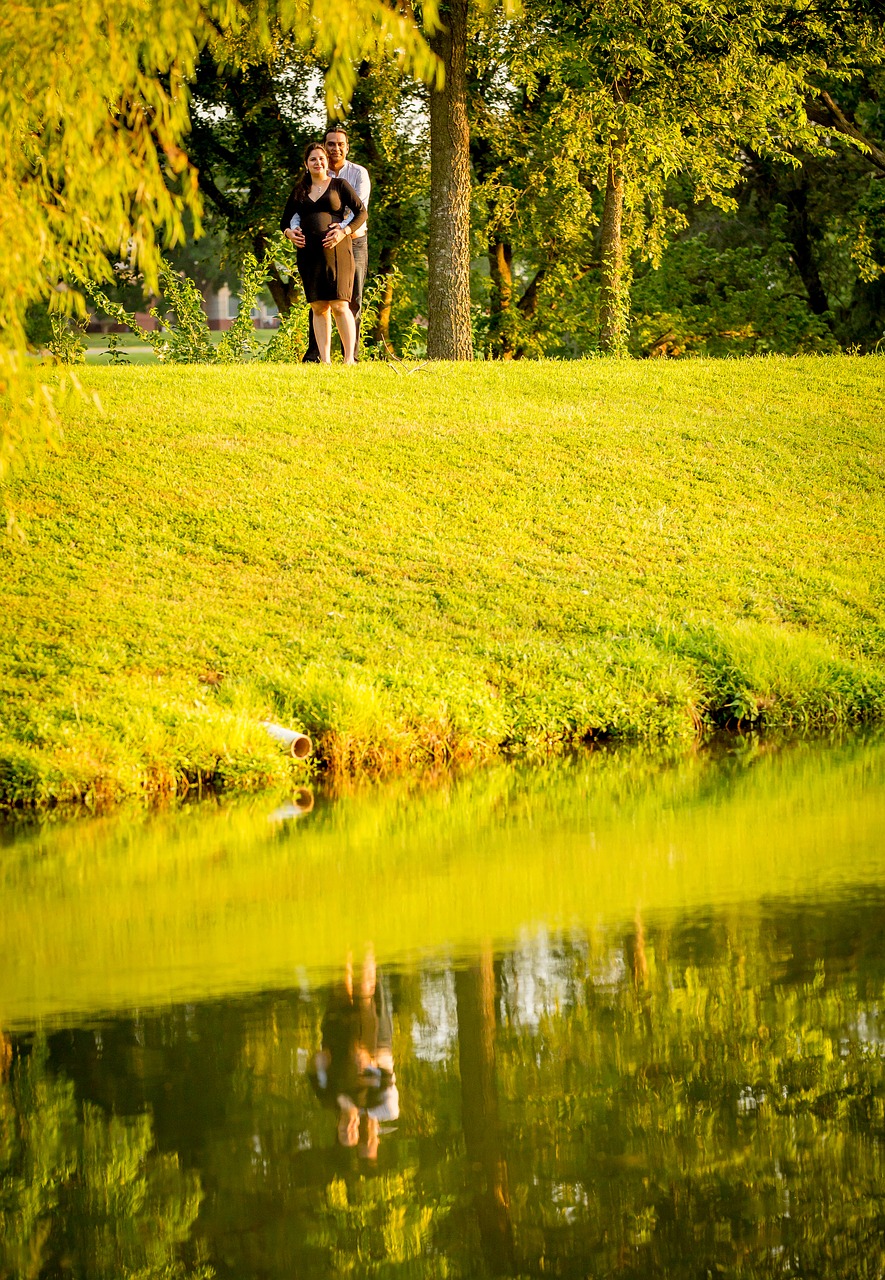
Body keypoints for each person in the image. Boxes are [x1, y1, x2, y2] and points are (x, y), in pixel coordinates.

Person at [280, 142, 367, 365]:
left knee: (340, 304)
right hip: (309, 254)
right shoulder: (300, 190)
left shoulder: (340, 185)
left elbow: (361, 213)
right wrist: (290, 234)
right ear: (306, 164)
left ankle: (349, 360)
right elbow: (284, 221)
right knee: (319, 306)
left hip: (338, 250)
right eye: (313, 159)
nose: (318, 162)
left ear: (327, 162)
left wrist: (344, 231)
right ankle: (325, 361)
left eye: (321, 158)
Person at [309, 950, 398, 1161]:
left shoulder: (328, 1100)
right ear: (358, 1127)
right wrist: (370, 1064)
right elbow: (386, 1078)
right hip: (363, 1034)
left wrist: (319, 1060)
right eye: (352, 1133)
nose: (347, 1129)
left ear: (337, 1127)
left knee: (342, 983)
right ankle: (367, 944)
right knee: (365, 988)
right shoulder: (370, 1102)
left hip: (335, 1034)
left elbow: (313, 1070)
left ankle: (345, 945)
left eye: (342, 1132)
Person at [299, 125, 371, 364]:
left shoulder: (358, 174)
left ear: (347, 148)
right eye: (331, 144)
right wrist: (293, 229)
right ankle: (317, 355)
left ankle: (351, 356)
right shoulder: (314, 173)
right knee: (319, 300)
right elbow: (299, 208)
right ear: (324, 146)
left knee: (351, 299)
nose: (335, 148)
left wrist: (341, 230)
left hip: (353, 241)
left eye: (340, 144)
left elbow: (357, 208)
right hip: (319, 245)